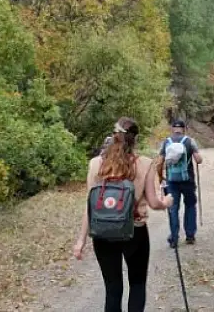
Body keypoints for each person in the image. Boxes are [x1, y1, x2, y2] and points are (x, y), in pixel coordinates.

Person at [73, 117, 173, 312]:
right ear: (135, 139)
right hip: (134, 232)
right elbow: (154, 202)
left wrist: (80, 241)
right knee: (137, 285)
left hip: (102, 232)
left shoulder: (96, 164)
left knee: (112, 289)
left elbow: (90, 205)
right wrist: (167, 202)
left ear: (114, 136)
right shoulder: (145, 163)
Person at [157, 119, 203, 248]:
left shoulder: (166, 142)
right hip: (188, 180)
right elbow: (199, 160)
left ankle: (174, 238)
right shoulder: (190, 141)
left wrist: (161, 177)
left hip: (171, 181)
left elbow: (159, 162)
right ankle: (190, 235)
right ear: (184, 128)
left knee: (173, 209)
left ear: (172, 128)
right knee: (190, 206)